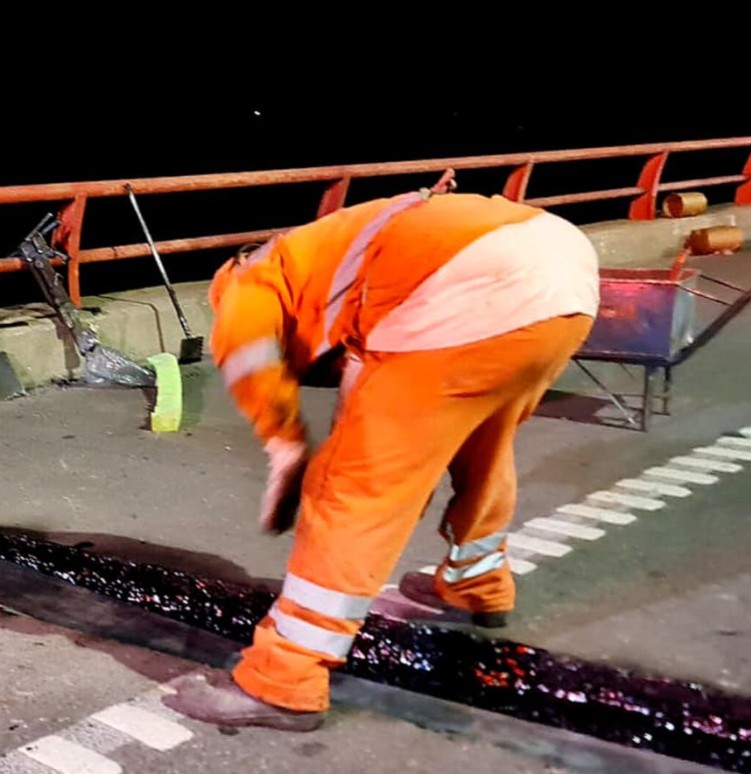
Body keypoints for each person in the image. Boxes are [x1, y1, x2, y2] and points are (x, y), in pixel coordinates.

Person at [163, 176, 600, 731]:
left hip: (464, 285)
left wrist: (285, 446)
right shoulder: (335, 258)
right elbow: (363, 376)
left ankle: (284, 680)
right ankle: (476, 586)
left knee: (350, 490)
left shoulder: (249, 280)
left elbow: (248, 351)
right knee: (482, 444)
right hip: (561, 278)